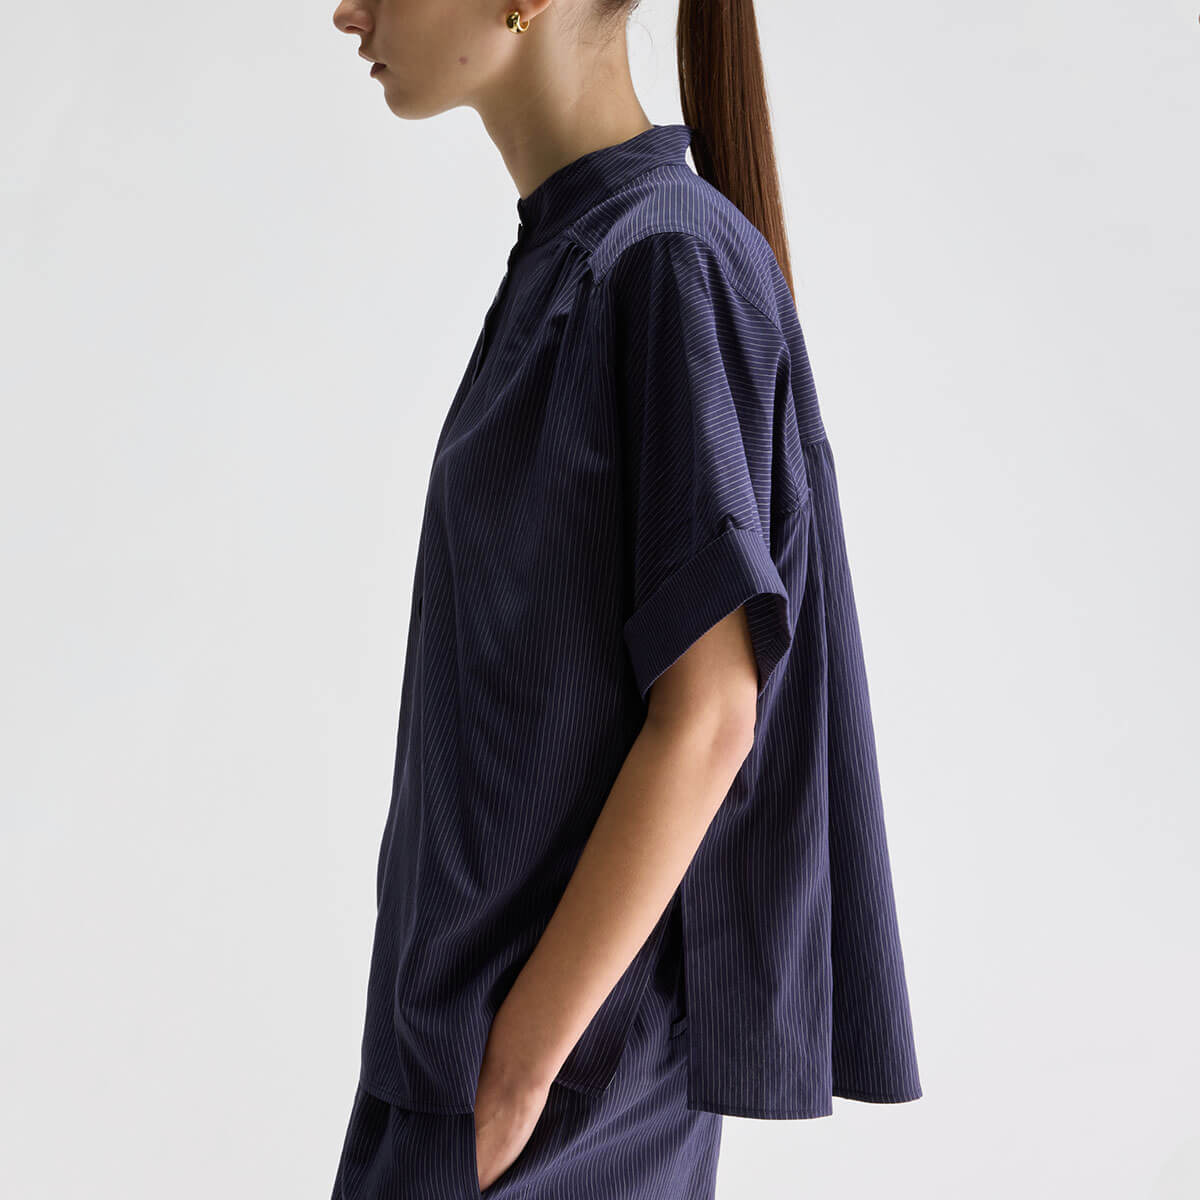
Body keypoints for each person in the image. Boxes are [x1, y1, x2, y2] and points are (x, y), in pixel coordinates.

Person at [328, 1, 922, 1195]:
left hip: (546, 1105)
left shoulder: (664, 261)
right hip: (461, 1071)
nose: (347, 9)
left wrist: (512, 1084)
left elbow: (711, 715)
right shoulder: (586, 253)